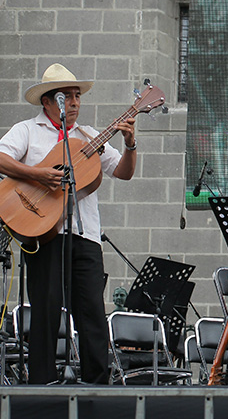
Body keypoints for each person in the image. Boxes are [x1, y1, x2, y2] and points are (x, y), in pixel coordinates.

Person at [0, 63, 137, 384]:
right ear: (47, 101)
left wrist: (130, 144)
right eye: (66, 96)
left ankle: (97, 387)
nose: (74, 102)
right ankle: (42, 387)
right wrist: (38, 174)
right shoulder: (27, 131)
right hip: (44, 235)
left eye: (77, 96)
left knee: (92, 316)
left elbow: (124, 172)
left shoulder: (90, 136)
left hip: (85, 236)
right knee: (46, 314)